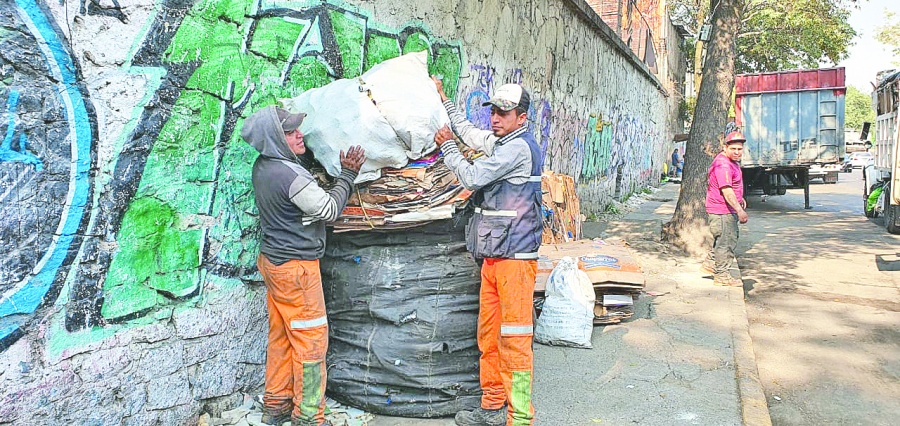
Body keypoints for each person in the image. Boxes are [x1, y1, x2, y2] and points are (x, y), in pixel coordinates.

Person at [241, 105, 366, 426]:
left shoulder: (263, 167)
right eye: (290, 132)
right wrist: (348, 175)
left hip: (273, 263)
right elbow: (327, 210)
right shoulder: (290, 175)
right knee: (311, 342)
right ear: (274, 139)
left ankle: (276, 404)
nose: (300, 135)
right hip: (297, 269)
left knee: (282, 336)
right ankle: (309, 415)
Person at [432, 77, 542, 426]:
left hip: (515, 260)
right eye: (493, 111)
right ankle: (492, 403)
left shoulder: (517, 150)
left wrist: (448, 148)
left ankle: (520, 417)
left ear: (520, 118)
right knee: (489, 334)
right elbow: (469, 131)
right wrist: (445, 100)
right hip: (494, 256)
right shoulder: (501, 142)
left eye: (504, 113)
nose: (495, 118)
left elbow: (472, 176)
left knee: (514, 338)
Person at [705, 130, 748, 287]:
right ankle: (722, 276)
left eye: (739, 149)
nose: (737, 152)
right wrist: (739, 210)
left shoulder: (730, 162)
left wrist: (740, 198)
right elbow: (726, 190)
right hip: (722, 210)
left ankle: (710, 263)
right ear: (725, 148)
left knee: (722, 239)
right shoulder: (723, 164)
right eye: (733, 149)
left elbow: (733, 186)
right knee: (726, 241)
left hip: (724, 208)